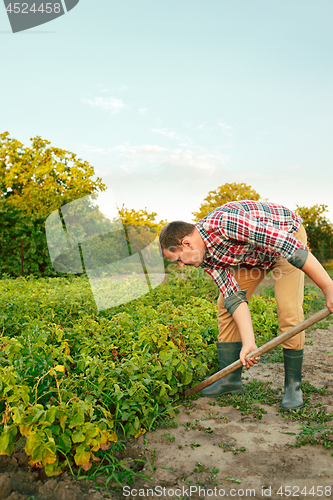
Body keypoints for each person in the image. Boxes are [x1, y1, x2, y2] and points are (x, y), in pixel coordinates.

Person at [159, 200, 333, 410]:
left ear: (186, 243)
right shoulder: (203, 255)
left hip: (286, 239)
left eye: (177, 258)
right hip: (253, 256)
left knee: (288, 309)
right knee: (225, 304)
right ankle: (230, 379)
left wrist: (328, 288)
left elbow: (287, 245)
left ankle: (293, 386)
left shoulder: (226, 223)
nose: (180, 265)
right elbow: (233, 295)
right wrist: (249, 343)